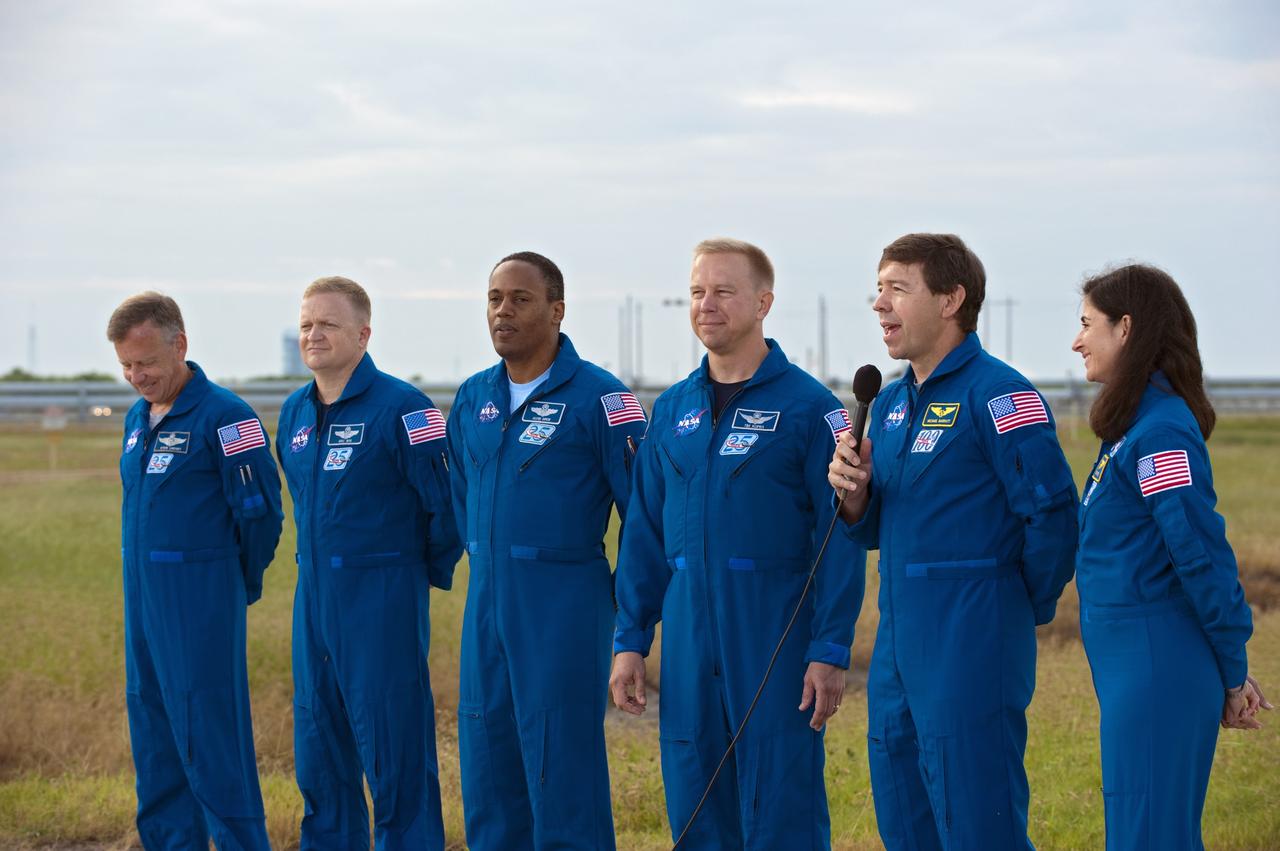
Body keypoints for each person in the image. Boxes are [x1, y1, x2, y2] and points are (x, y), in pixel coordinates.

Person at [610, 238, 865, 850]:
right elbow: (644, 534)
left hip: (775, 639)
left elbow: (839, 539)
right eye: (698, 292)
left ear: (763, 302)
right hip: (691, 643)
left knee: (782, 811)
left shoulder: (811, 411)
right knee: (696, 806)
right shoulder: (671, 411)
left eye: (724, 291)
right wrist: (629, 642)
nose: (707, 304)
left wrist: (829, 649)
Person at [827, 233, 1078, 851]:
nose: (880, 305)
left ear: (951, 299)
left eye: (897, 289)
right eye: (877, 290)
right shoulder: (885, 405)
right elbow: (880, 521)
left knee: (976, 820)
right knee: (903, 815)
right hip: (898, 640)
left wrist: (1016, 603)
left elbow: (1052, 517)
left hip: (974, 632)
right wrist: (854, 496)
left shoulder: (1001, 395)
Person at [446, 251, 647, 850]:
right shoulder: (473, 397)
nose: (503, 311)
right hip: (487, 603)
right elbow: (462, 489)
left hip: (563, 605)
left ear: (557, 311)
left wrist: (631, 625)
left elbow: (641, 517)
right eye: (494, 298)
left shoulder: (604, 400)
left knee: (560, 769)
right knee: (488, 764)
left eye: (520, 299)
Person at [1070, 263, 1271, 848]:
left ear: (1126, 328)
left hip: (1156, 664)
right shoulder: (1131, 427)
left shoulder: (1159, 432)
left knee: (1150, 837)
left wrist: (1232, 668)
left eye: (1087, 324)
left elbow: (1199, 553)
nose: (1076, 340)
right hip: (1134, 665)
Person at [276, 276, 462, 849]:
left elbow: (446, 507)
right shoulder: (294, 414)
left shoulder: (404, 408)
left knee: (394, 752)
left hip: (382, 597)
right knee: (320, 749)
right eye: (307, 324)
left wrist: (410, 577)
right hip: (315, 600)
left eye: (328, 324)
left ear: (363, 333)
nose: (314, 334)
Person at [109, 292, 282, 850]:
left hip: (200, 601)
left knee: (210, 739)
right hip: (144, 602)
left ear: (180, 345)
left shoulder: (226, 416)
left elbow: (260, 514)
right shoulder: (138, 419)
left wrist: (233, 582)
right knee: (155, 735)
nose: (137, 376)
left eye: (147, 363)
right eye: (127, 366)